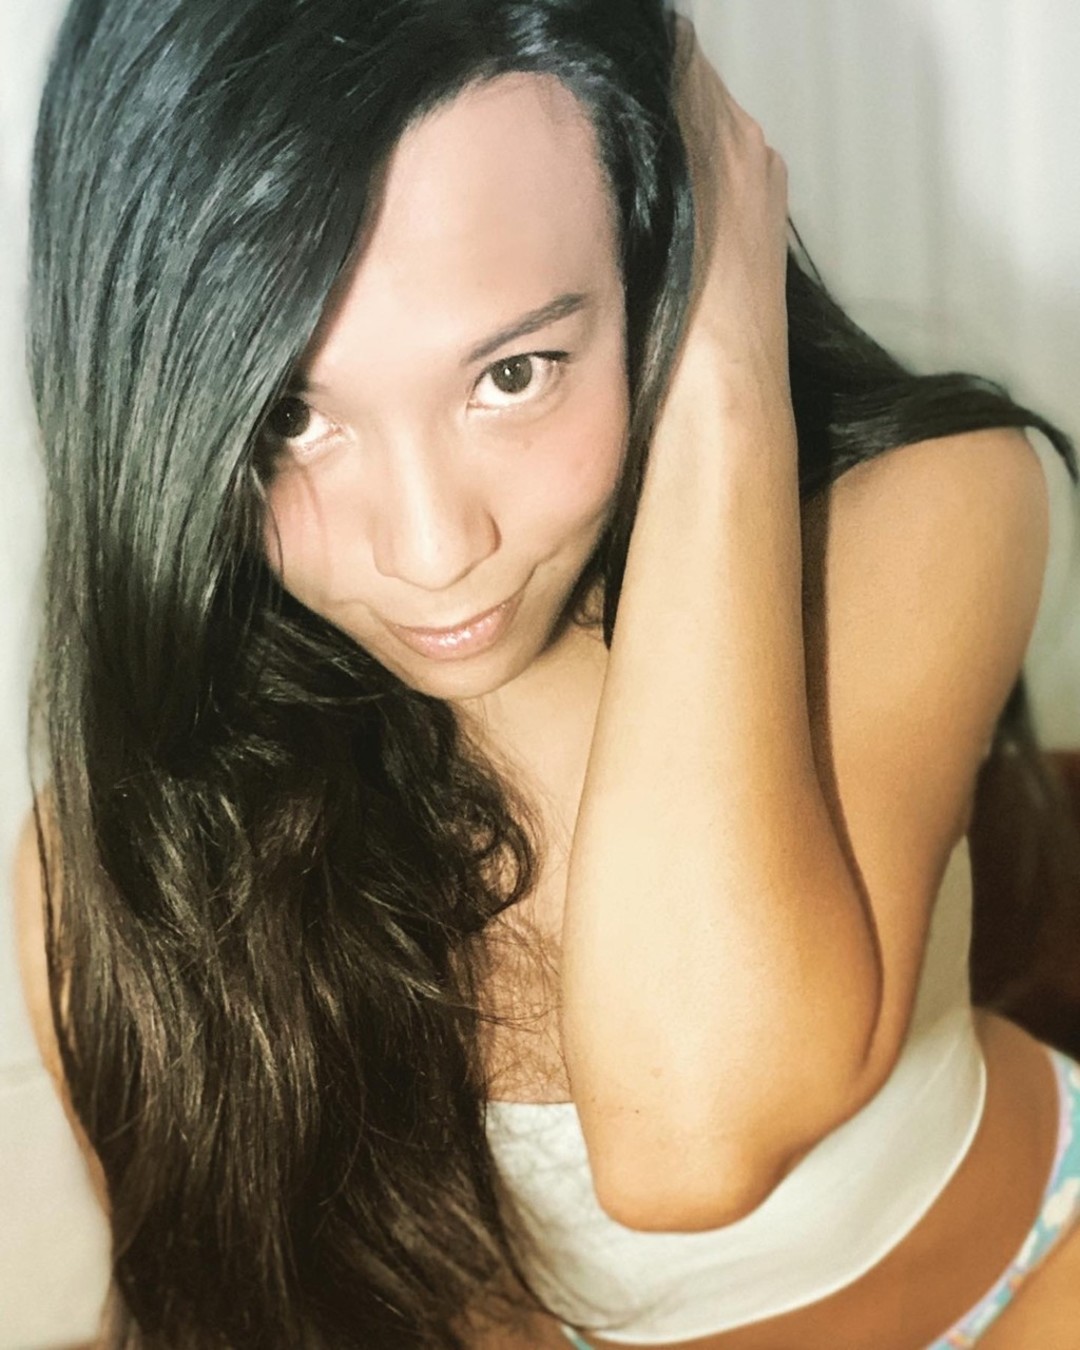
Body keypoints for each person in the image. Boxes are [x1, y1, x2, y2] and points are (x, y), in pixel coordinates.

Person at [12, 0, 1080, 1346]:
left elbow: (695, 1134)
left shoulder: (914, 514)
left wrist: (723, 360)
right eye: (291, 415)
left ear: (654, 268)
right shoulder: (125, 858)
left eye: (514, 372)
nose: (432, 549)